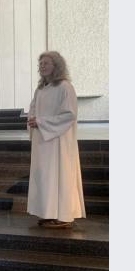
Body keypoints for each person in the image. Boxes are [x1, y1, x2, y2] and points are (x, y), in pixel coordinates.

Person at [27, 52, 86, 228]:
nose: (42, 66)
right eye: (41, 64)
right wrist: (32, 119)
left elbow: (69, 115)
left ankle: (64, 216)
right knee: (45, 178)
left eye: (46, 63)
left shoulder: (65, 87)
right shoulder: (41, 89)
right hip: (43, 142)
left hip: (59, 142)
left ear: (57, 66)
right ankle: (49, 212)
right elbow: (33, 108)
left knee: (61, 176)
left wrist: (41, 122)